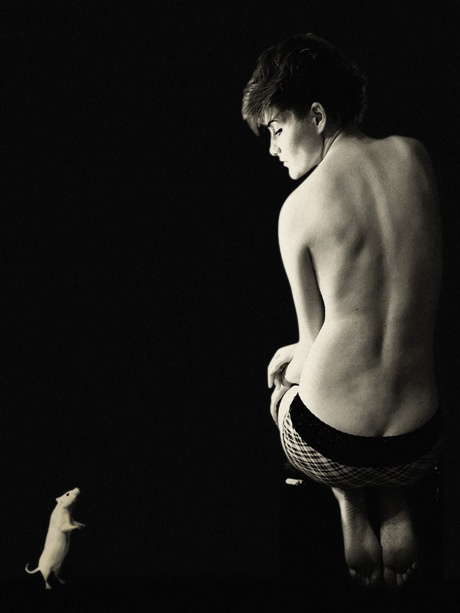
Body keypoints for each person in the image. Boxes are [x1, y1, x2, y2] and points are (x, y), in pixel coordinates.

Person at [242, 34, 442, 590]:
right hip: (420, 444)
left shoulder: (297, 210)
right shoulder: (415, 156)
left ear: (317, 115)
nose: (273, 148)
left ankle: (348, 500)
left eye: (277, 129)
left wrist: (293, 358)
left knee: (282, 387)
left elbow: (312, 348)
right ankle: (394, 498)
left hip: (330, 446)